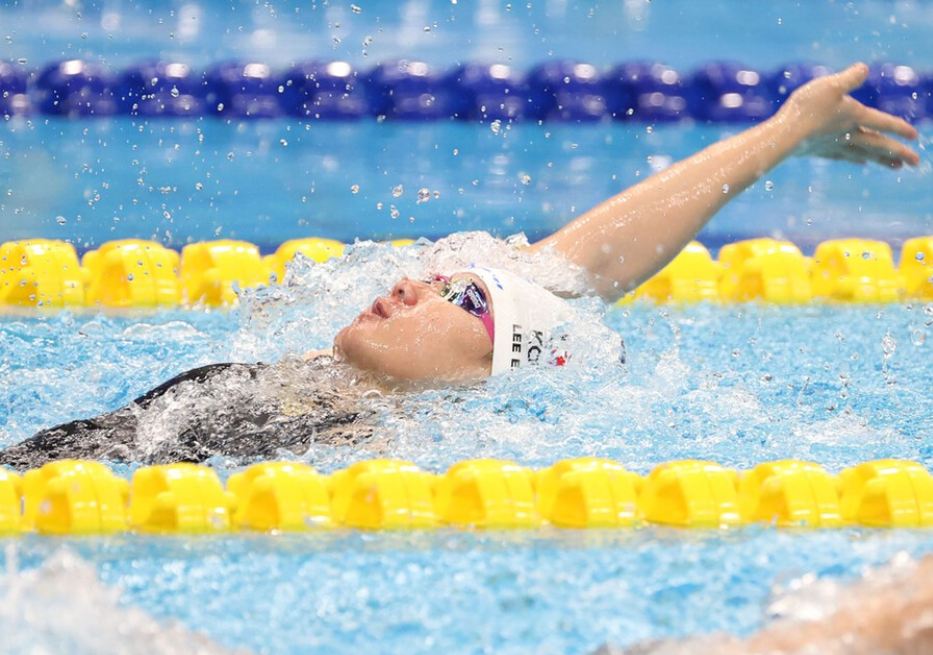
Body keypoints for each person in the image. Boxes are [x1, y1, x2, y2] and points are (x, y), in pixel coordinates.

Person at [0, 62, 919, 467]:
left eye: (461, 297)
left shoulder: (388, 452)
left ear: (488, 373)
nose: (403, 281)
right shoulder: (300, 387)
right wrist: (783, 131)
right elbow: (583, 262)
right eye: (433, 276)